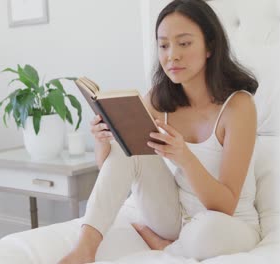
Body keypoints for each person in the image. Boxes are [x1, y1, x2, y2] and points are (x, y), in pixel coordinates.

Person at [59, 0, 260, 263]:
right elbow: (118, 168)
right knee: (127, 147)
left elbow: (225, 205)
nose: (171, 55)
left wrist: (184, 156)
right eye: (164, 45)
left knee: (206, 233)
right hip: (174, 216)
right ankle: (84, 250)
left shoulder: (239, 106)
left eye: (184, 43)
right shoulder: (157, 100)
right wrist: (103, 141)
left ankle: (167, 247)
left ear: (210, 46)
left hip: (227, 222)